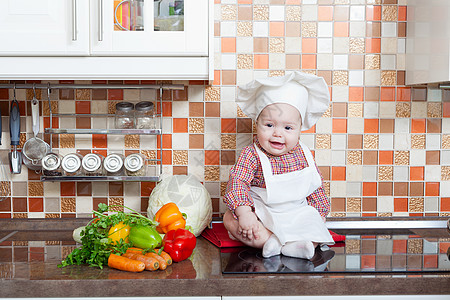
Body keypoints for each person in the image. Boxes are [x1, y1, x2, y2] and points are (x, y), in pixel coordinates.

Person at [223, 71, 334, 260]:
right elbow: (237, 183)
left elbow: (315, 187)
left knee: (316, 226)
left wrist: (319, 215)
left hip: (297, 213)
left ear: (300, 130)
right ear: (256, 123)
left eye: (288, 128)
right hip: (262, 212)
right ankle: (269, 240)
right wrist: (245, 213)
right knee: (229, 218)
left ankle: (300, 245)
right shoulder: (251, 154)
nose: (277, 134)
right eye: (269, 125)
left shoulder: (304, 154)